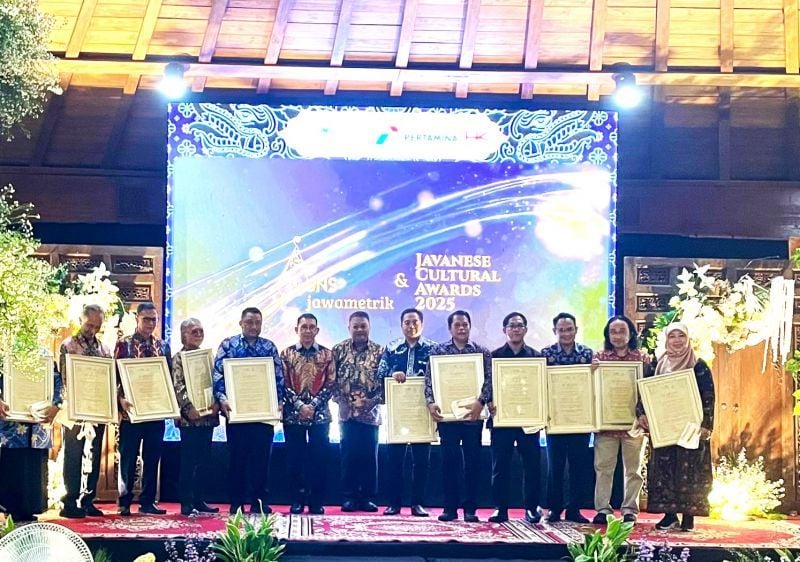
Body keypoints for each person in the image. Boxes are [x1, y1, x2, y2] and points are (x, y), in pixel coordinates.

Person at [638, 322, 715, 532]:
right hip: (664, 429)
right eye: (672, 336)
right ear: (666, 340)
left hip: (691, 428)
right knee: (665, 470)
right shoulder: (657, 365)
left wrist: (707, 424)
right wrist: (642, 413)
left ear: (688, 339)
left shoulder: (698, 366)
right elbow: (644, 393)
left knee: (690, 471)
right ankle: (669, 515)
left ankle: (689, 516)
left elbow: (708, 396)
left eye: (681, 336)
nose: (677, 340)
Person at [214, 307, 285, 515]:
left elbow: (278, 378)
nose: (253, 326)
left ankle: (259, 502)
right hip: (237, 414)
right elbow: (218, 375)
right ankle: (236, 502)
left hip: (263, 415)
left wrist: (279, 402)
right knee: (237, 460)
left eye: (257, 323)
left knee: (261, 462)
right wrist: (222, 399)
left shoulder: (269, 347)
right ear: (241, 323)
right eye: (249, 322)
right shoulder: (228, 345)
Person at [424, 310, 492, 523]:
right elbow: (429, 380)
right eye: (457, 325)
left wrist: (480, 402)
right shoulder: (438, 351)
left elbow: (489, 381)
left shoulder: (481, 352)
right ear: (450, 328)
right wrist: (431, 402)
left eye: (465, 324)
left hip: (472, 417)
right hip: (448, 419)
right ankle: (450, 508)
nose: (461, 328)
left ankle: (470, 509)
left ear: (470, 326)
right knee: (449, 463)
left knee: (473, 463)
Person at [378, 308, 435, 517]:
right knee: (395, 460)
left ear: (422, 324)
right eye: (407, 322)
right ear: (401, 325)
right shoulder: (392, 348)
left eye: (415, 322)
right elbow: (380, 372)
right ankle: (394, 503)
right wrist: (392, 373)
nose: (411, 326)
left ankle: (418, 503)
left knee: (421, 461)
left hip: (423, 411)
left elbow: (439, 377)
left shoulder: (434, 349)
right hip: (399, 412)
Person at [115, 302, 172, 516]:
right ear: (137, 319)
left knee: (152, 457)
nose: (150, 323)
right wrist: (120, 399)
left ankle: (148, 501)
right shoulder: (124, 345)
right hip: (131, 413)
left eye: (153, 319)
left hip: (156, 411)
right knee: (128, 457)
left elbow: (167, 378)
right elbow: (115, 377)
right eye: (146, 319)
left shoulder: (163, 346)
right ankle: (124, 502)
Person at [591, 315, 648, 525]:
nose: (617, 336)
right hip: (606, 426)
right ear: (607, 335)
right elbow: (591, 390)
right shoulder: (599, 359)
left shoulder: (642, 359)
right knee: (603, 469)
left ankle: (630, 510)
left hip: (634, 425)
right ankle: (602, 509)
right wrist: (591, 373)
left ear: (631, 333)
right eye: (613, 332)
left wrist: (644, 414)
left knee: (633, 470)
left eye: (621, 331)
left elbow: (648, 389)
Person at [487, 312, 542, 524]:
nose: (516, 329)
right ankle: (500, 508)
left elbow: (541, 388)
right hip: (502, 419)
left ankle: (532, 508)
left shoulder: (536, 357)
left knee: (532, 466)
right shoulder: (494, 356)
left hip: (529, 419)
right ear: (505, 330)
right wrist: (489, 402)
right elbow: (487, 386)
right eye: (512, 326)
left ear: (525, 329)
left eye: (520, 325)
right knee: (500, 466)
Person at [59, 304, 113, 519]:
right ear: (81, 321)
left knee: (94, 454)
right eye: (90, 325)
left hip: (97, 410)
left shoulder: (105, 350)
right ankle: (70, 500)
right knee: (73, 455)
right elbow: (65, 378)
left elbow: (108, 380)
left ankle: (88, 499)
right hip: (75, 410)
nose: (93, 330)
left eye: (97, 326)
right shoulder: (68, 345)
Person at [540, 311, 594, 523]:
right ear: (555, 331)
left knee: (578, 466)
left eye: (569, 329)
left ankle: (574, 509)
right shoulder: (546, 354)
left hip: (580, 420)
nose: (565, 333)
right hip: (555, 420)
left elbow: (594, 385)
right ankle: (554, 509)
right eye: (561, 330)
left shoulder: (587, 354)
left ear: (576, 330)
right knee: (555, 467)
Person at [281, 313, 335, 515]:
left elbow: (331, 383)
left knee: (319, 460)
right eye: (304, 327)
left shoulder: (327, 354)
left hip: (319, 416)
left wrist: (312, 405)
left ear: (317, 330)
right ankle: (297, 500)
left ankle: (316, 501)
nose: (308, 331)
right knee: (295, 460)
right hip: (293, 415)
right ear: (297, 329)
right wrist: (299, 406)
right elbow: (282, 383)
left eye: (312, 327)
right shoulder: (286, 354)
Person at [332, 311, 384, 513]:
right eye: (356, 326)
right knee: (349, 456)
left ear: (369, 327)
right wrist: (341, 401)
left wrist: (371, 402)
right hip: (347, 415)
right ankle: (349, 497)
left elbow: (385, 383)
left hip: (371, 415)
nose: (360, 330)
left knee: (369, 457)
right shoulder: (338, 350)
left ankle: (368, 498)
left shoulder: (380, 351)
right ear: (349, 328)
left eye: (363, 326)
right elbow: (331, 380)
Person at [0, 356, 62, 522]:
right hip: (11, 423)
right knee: (13, 463)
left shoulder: (45, 357)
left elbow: (57, 383)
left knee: (34, 465)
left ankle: (31, 508)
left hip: (38, 422)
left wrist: (56, 405)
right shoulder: (5, 354)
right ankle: (10, 510)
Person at [172, 318, 219, 516]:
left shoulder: (208, 356)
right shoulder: (178, 358)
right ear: (184, 335)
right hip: (189, 420)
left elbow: (216, 382)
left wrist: (217, 403)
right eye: (194, 332)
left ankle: (200, 500)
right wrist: (188, 408)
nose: (199, 335)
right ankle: (186, 501)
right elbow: (178, 386)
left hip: (208, 418)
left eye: (201, 331)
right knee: (188, 461)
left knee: (204, 461)